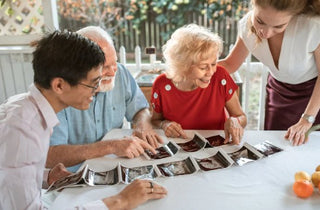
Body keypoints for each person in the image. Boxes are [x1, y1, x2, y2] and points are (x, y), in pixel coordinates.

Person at [0, 31, 167, 209]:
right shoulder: (23, 131)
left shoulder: (29, 110)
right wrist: (119, 201)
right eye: (93, 83)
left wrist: (46, 177)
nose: (96, 92)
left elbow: (13, 173)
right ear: (59, 85)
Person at [47, 26, 163, 173]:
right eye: (105, 66)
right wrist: (110, 146)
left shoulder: (120, 72)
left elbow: (140, 109)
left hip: (117, 166)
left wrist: (142, 124)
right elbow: (50, 155)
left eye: (115, 62)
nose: (113, 71)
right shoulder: (62, 92)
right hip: (76, 175)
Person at [219, 0, 320, 146]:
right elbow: (229, 64)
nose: (265, 33)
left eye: (278, 26)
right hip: (278, 93)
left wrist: (307, 119)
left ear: (294, 16)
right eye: (260, 21)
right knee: (275, 147)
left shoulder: (313, 27)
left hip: (314, 98)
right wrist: (186, 67)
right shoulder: (246, 25)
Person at [151, 24, 247, 144]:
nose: (211, 72)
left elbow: (241, 116)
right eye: (203, 67)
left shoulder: (220, 76)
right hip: (180, 146)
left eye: (213, 64)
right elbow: (155, 120)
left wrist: (235, 121)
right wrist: (164, 124)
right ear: (184, 67)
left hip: (217, 146)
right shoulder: (162, 85)